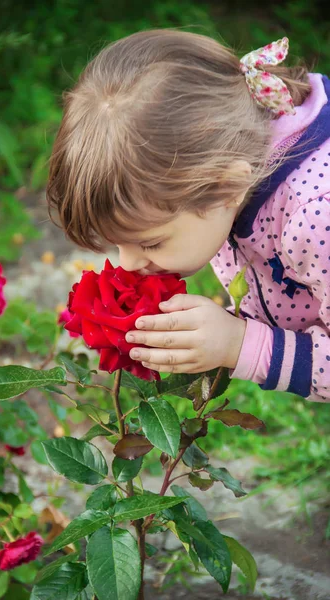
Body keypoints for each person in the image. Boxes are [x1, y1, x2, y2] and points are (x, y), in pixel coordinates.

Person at [47, 30, 330, 403]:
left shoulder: (315, 215)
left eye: (151, 242)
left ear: (228, 187)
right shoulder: (226, 165)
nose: (128, 263)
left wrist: (240, 345)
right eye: (120, 243)